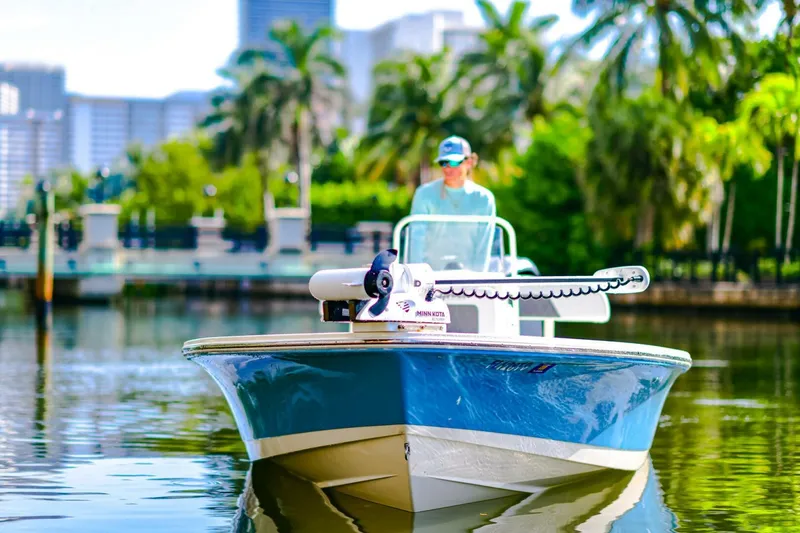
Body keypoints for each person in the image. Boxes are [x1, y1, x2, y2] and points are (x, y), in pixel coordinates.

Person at [407, 136, 497, 270]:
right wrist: (416, 275)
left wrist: (478, 279)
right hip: (430, 277)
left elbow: (484, 244)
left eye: (454, 161)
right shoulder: (423, 194)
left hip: (469, 279)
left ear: (469, 162)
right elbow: (416, 239)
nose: (448, 168)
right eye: (443, 162)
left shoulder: (484, 198)